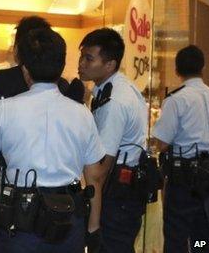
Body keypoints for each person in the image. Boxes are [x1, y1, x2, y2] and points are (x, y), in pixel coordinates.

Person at [0, 28, 105, 253]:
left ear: (25, 69)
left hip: (18, 222)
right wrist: (92, 230)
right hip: (68, 220)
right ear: (61, 67)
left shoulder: (4, 109)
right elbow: (95, 179)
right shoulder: (82, 113)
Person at [78, 28, 148, 253]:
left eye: (89, 58)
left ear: (110, 64)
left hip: (118, 192)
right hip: (118, 189)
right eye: (82, 56)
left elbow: (100, 171)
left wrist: (93, 224)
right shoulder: (108, 88)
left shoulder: (115, 100)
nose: (81, 63)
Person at [150, 45, 209, 252]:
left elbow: (163, 142)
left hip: (184, 178)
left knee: (177, 233)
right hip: (208, 175)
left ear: (177, 70)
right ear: (202, 67)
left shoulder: (176, 99)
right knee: (202, 232)